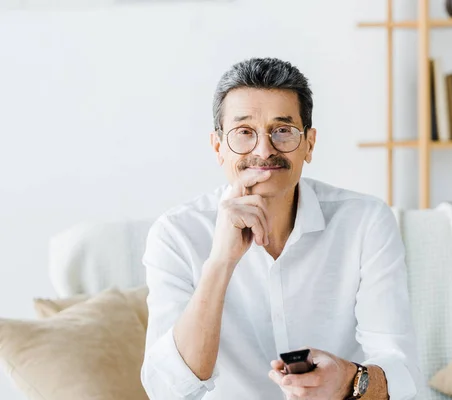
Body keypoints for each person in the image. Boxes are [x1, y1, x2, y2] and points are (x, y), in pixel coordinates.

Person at [141, 57, 422, 399]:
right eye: (244, 133)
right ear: (218, 147)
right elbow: (167, 390)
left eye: (283, 131)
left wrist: (348, 380)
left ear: (309, 144)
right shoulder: (176, 234)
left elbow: (404, 376)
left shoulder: (365, 222)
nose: (264, 150)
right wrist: (220, 262)